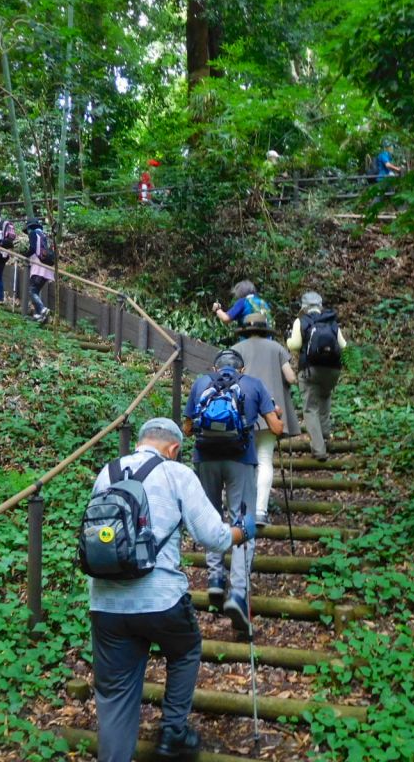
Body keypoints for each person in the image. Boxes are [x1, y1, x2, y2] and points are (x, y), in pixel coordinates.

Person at [89, 417, 256, 761]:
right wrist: (243, 531)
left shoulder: (107, 472)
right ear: (175, 449)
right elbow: (214, 537)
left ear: (139, 441)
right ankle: (173, 732)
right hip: (161, 599)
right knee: (185, 651)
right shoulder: (176, 473)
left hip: (105, 603)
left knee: (116, 692)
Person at [183, 350, 283, 635]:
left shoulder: (201, 383)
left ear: (215, 367)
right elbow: (276, 429)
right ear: (243, 368)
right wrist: (275, 414)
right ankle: (238, 593)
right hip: (241, 460)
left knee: (211, 515)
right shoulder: (253, 385)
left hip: (205, 459)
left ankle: (215, 579)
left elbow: (188, 429)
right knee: (244, 523)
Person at [231, 321, 300, 526]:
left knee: (244, 461)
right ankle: (261, 511)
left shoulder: (236, 350)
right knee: (264, 458)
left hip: (241, 413)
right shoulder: (276, 348)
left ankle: (243, 510)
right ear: (264, 330)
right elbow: (291, 377)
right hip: (270, 412)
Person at [286, 291, 347, 461]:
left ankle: (319, 450)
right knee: (325, 399)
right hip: (333, 370)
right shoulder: (332, 321)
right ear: (320, 306)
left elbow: (295, 345)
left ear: (304, 307)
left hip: (310, 369)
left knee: (310, 408)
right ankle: (325, 435)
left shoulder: (301, 321)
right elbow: (344, 346)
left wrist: (288, 341)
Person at [25, 217, 53, 323]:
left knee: (32, 290)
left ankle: (42, 309)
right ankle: (38, 316)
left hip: (39, 266)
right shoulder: (45, 236)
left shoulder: (34, 233)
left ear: (30, 227)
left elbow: (32, 248)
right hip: (47, 267)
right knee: (36, 290)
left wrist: (25, 256)